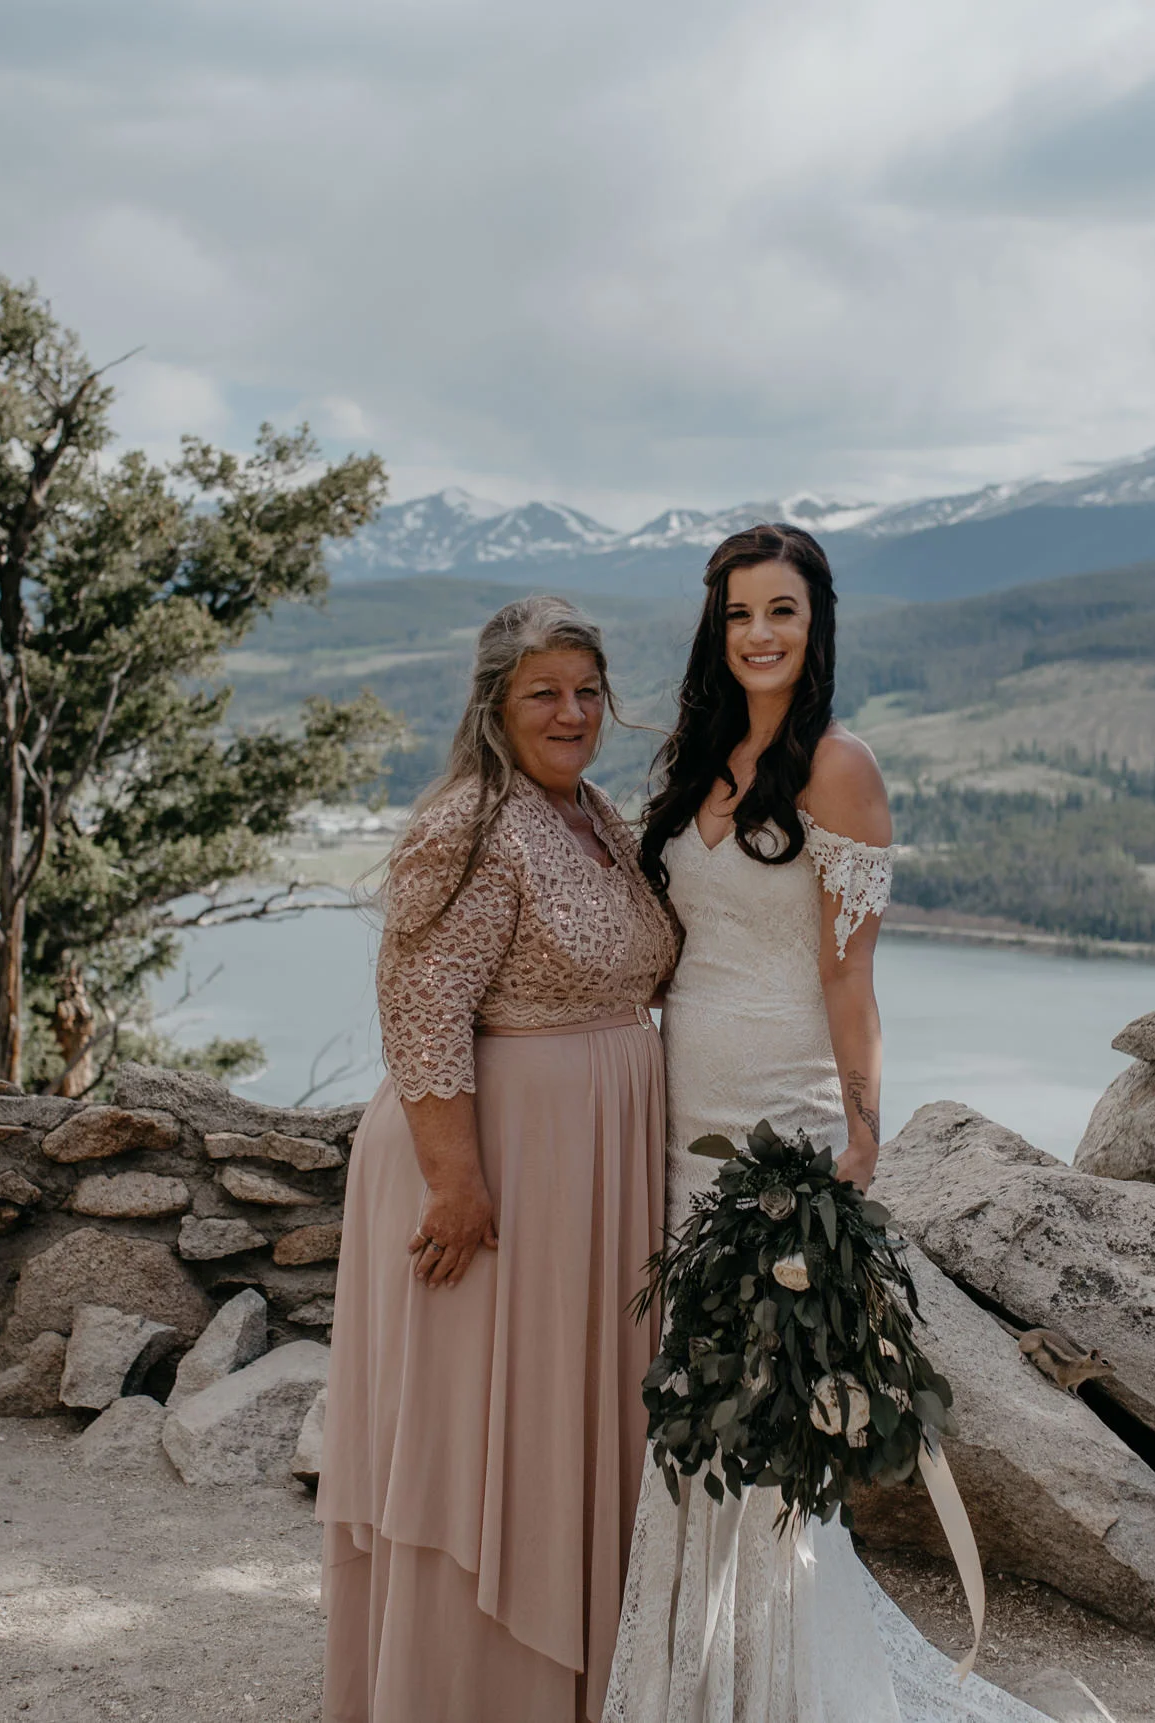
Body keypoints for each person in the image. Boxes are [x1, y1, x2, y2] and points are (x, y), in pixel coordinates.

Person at [603, 526, 1088, 1722]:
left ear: (815, 626)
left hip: (778, 1122)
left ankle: (775, 1689)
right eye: (738, 614)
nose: (758, 634)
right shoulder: (692, 758)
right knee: (677, 1394)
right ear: (715, 629)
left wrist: (860, 1140)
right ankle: (686, 1675)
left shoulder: (839, 768)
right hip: (670, 1112)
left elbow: (849, 981)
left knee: (759, 1412)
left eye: (782, 612)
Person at [318, 595, 682, 1723]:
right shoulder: (470, 822)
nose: (570, 712)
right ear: (494, 704)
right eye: (543, 693)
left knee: (561, 1426)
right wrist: (456, 1182)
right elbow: (423, 1005)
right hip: (494, 1168)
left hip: (588, 1167)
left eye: (586, 690)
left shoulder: (594, 814)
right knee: (483, 1435)